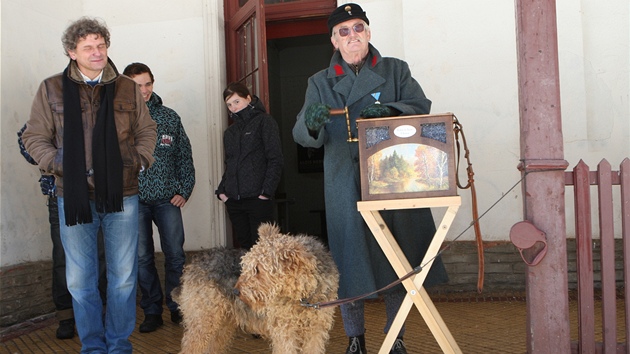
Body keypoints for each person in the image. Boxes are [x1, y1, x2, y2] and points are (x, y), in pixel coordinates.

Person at [292, 4, 448, 354]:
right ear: (333, 40)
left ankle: (397, 339)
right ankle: (355, 339)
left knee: (398, 259)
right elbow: (302, 134)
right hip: (344, 179)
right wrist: (313, 121)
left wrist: (392, 111)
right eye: (343, 31)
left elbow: (420, 105)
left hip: (392, 176)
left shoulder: (395, 70)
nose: (352, 36)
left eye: (358, 28)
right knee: (349, 262)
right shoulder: (319, 81)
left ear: (369, 32)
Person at [22, 17, 157, 353]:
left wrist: (138, 160)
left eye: (101, 45)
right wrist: (57, 164)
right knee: (80, 282)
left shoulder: (127, 87)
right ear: (72, 52)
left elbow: (147, 131)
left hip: (122, 195)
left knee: (123, 279)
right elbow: (34, 136)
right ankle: (93, 347)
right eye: (88, 47)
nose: (97, 52)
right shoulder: (51, 88)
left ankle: (118, 345)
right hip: (74, 196)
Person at [122, 63, 196, 333]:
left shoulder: (169, 117)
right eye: (137, 85)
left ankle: (177, 306)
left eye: (147, 84)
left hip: (167, 200)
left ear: (153, 83)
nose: (143, 90)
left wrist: (183, 190)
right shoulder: (118, 119)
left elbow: (184, 157)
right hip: (133, 201)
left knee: (175, 255)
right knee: (142, 258)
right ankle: (152, 311)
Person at [17, 125, 108, 340]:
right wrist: (61, 159)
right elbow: (27, 145)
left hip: (96, 196)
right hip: (59, 196)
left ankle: (100, 313)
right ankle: (66, 316)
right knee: (62, 258)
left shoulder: (93, 107)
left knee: (101, 256)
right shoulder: (45, 112)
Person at [215, 82, 283, 250]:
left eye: (236, 102)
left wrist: (266, 192)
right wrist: (222, 191)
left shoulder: (264, 122)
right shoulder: (229, 132)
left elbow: (275, 158)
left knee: (264, 249)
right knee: (244, 250)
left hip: (258, 199)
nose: (233, 108)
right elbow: (230, 163)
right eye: (229, 105)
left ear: (248, 98)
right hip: (235, 201)